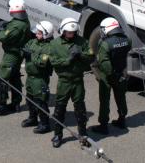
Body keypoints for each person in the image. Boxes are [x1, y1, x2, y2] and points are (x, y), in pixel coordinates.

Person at [49, 18, 94, 148]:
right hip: (64, 81)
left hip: (78, 80)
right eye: (69, 32)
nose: (71, 34)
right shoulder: (55, 44)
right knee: (59, 109)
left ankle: (83, 134)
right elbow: (54, 62)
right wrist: (69, 60)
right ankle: (58, 135)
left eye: (73, 32)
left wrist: (80, 56)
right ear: (63, 31)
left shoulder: (82, 42)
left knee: (80, 109)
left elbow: (90, 57)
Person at [0, 0, 30, 116]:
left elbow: (2, 37)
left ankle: (2, 107)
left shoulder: (16, 26)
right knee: (14, 78)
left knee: (0, 81)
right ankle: (15, 103)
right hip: (17, 53)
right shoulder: (24, 21)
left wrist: (2, 29)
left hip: (11, 55)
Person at [90, 18, 130, 135]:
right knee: (121, 98)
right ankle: (122, 120)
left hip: (107, 76)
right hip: (122, 73)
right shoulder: (127, 39)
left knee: (104, 101)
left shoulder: (105, 44)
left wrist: (110, 75)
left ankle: (103, 125)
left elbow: (105, 63)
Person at [22, 20, 54, 134]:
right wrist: (25, 52)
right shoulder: (33, 42)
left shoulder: (49, 47)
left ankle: (45, 124)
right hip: (30, 77)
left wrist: (31, 55)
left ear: (46, 34)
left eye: (39, 33)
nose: (36, 34)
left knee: (40, 101)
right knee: (29, 99)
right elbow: (25, 47)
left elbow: (42, 62)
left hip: (40, 79)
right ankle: (32, 118)